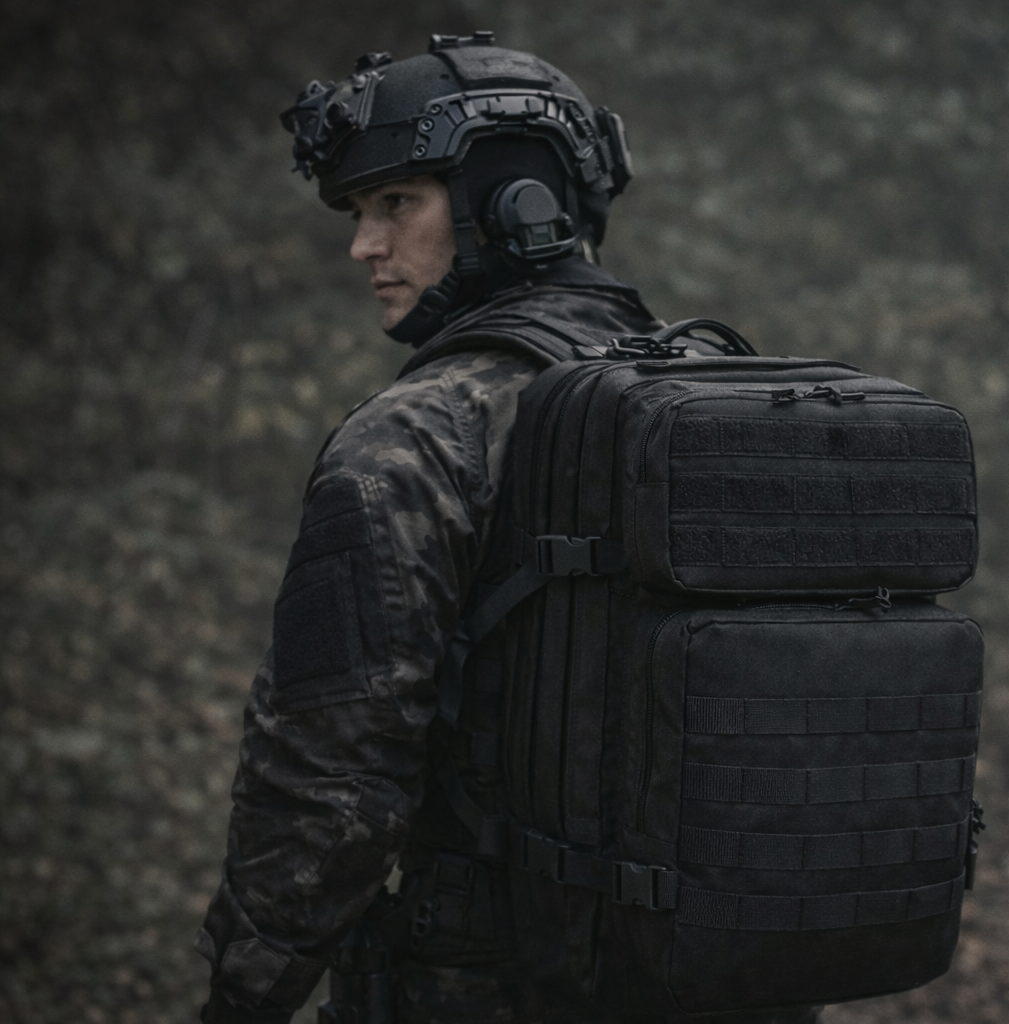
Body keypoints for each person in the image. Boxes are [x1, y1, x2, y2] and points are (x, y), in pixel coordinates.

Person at [193, 33, 819, 1024]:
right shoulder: (730, 396)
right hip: (730, 975)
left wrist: (241, 995)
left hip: (491, 984)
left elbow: (328, 778)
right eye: (359, 214)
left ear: (513, 201)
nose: (364, 246)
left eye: (396, 202)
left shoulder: (414, 434)